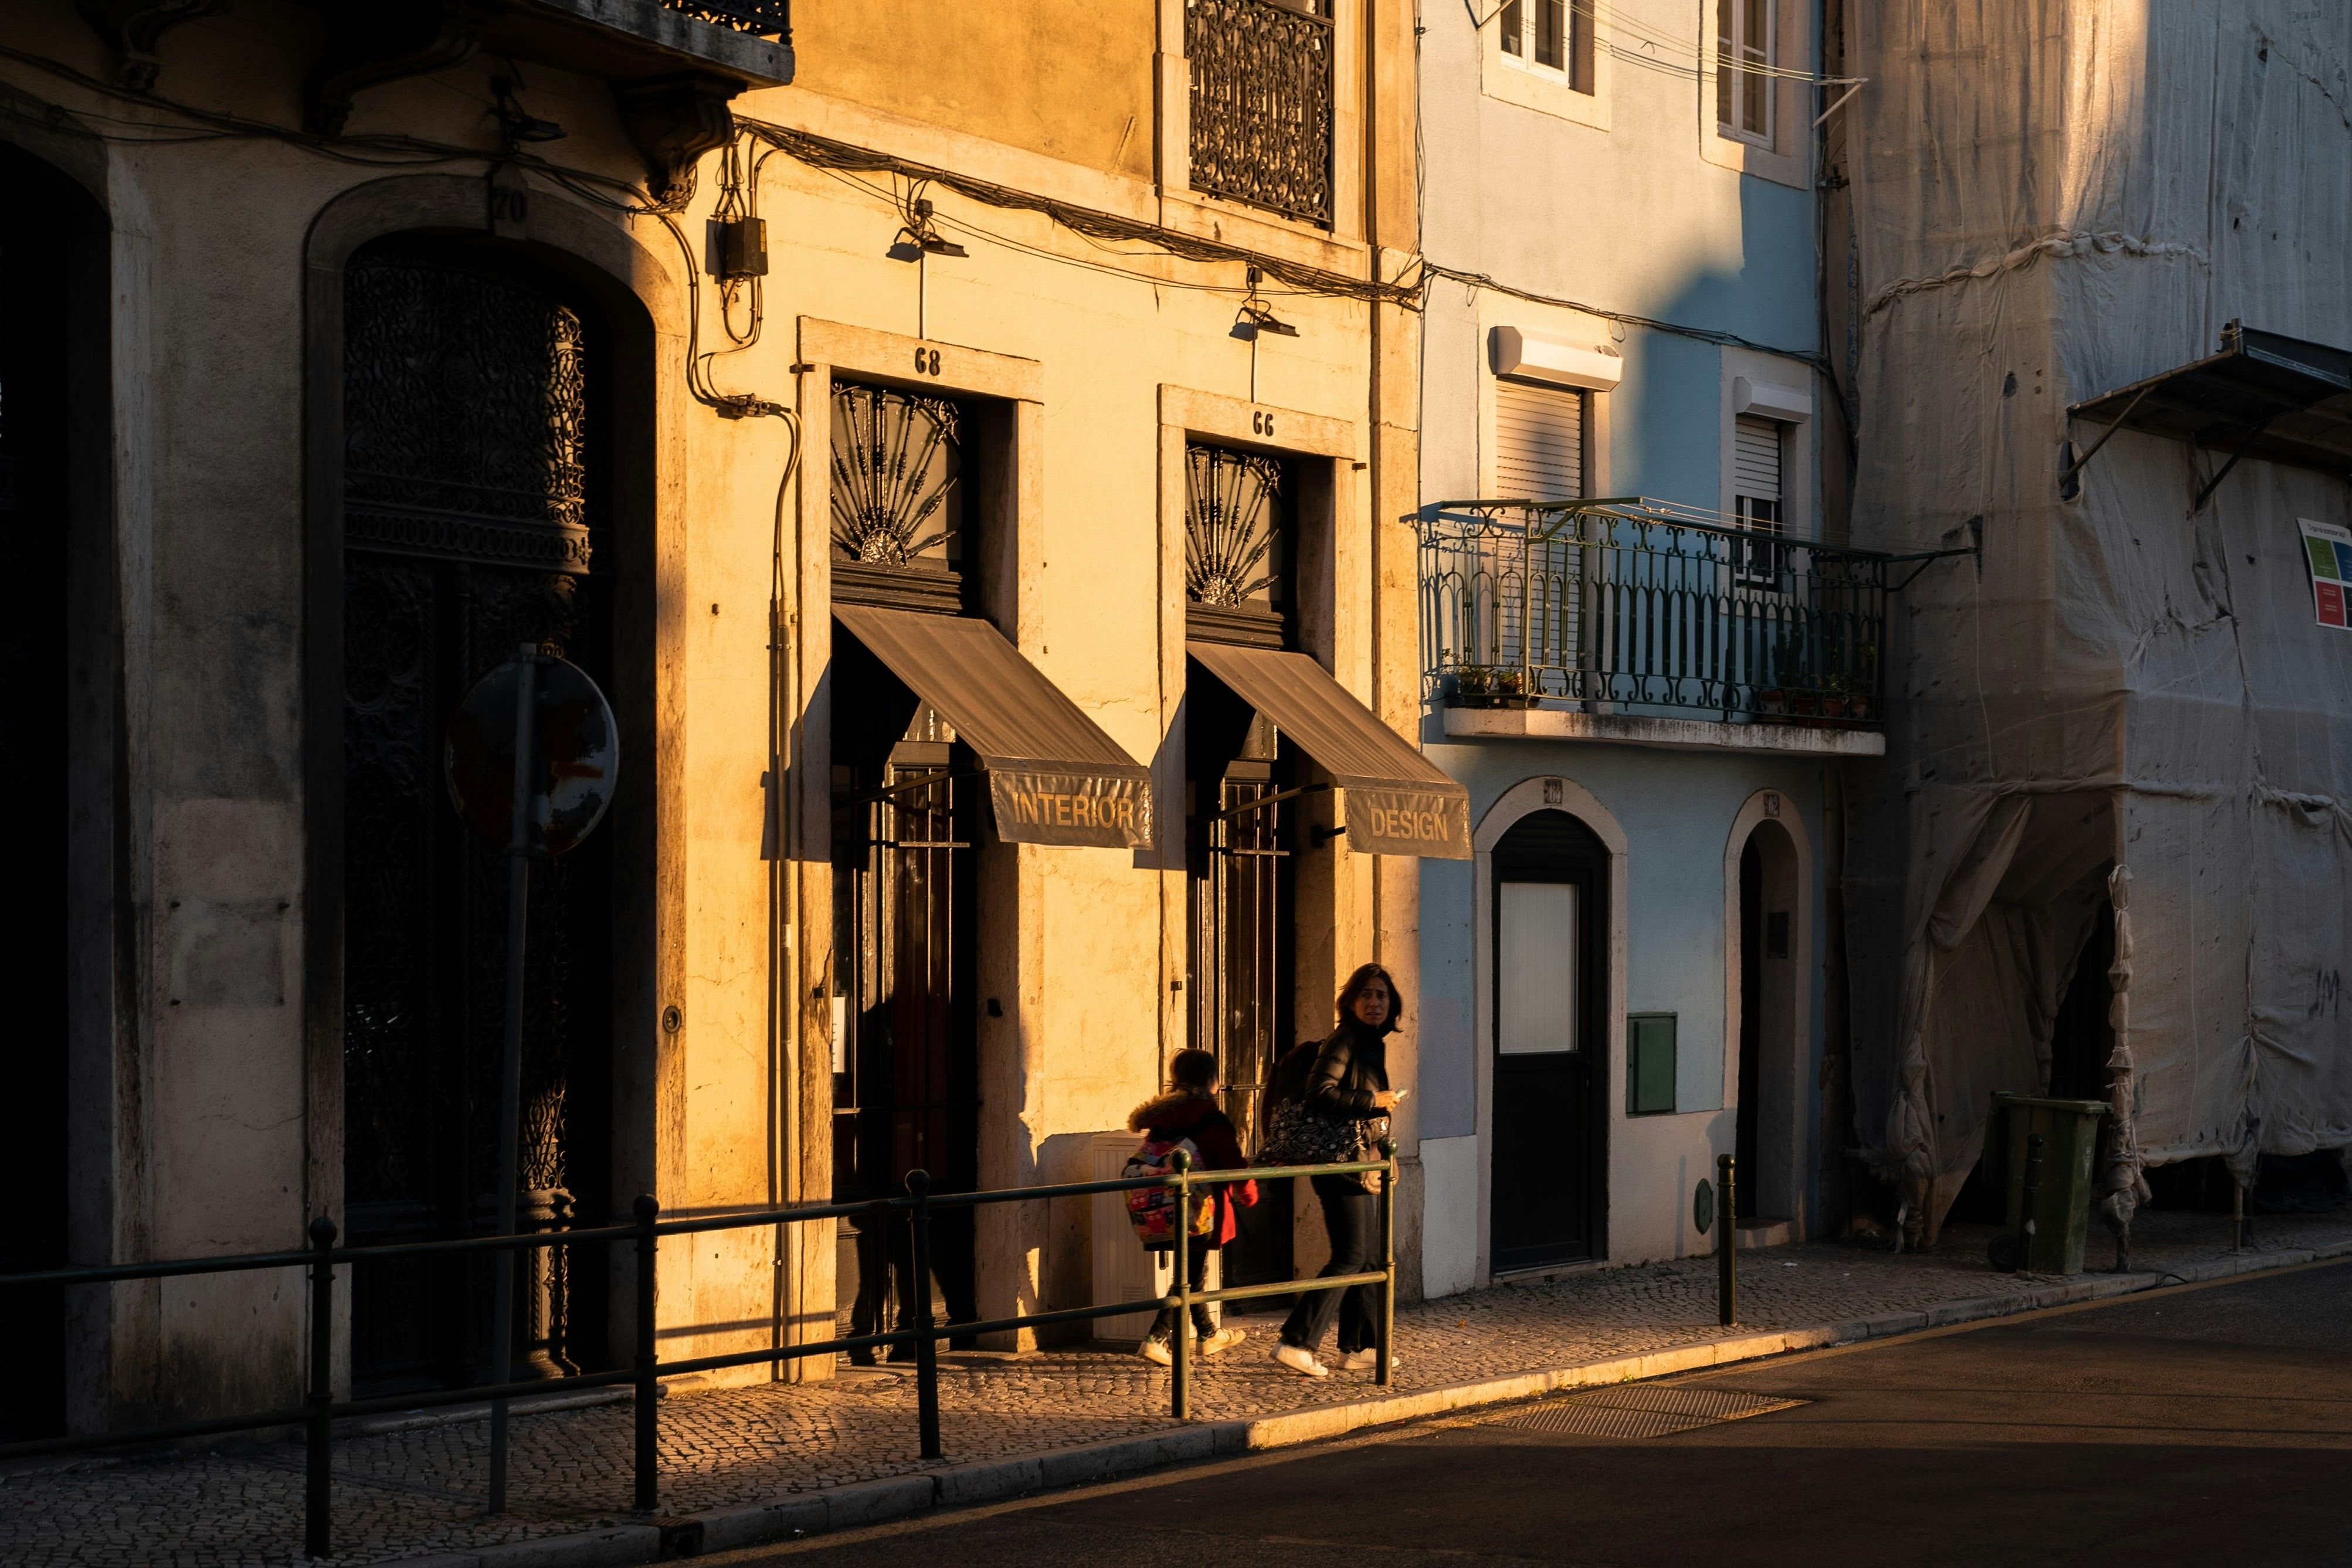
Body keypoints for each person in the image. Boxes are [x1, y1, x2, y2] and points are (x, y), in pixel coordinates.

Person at [1271, 962, 1405, 1377]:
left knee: (1365, 1257)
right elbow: (1319, 1093)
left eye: (1381, 995)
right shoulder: (1344, 1039)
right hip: (1337, 1161)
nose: (1374, 1002)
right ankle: (1296, 1342)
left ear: (1391, 1003)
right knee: (1349, 1255)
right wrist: (1373, 1101)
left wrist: (1386, 1150)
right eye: (1365, 994)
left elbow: (1372, 1108)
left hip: (1358, 1159)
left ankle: (1359, 1346)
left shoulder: (1371, 1044)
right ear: (1350, 1002)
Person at [1126, 1048, 1257, 1365]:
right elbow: (1231, 1161)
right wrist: (1250, 1193)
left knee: (1193, 1272)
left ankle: (1209, 1334)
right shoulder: (1210, 1117)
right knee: (1189, 1276)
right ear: (1212, 1080)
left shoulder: (1164, 1118)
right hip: (1200, 1210)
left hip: (1164, 1206)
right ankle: (1156, 1338)